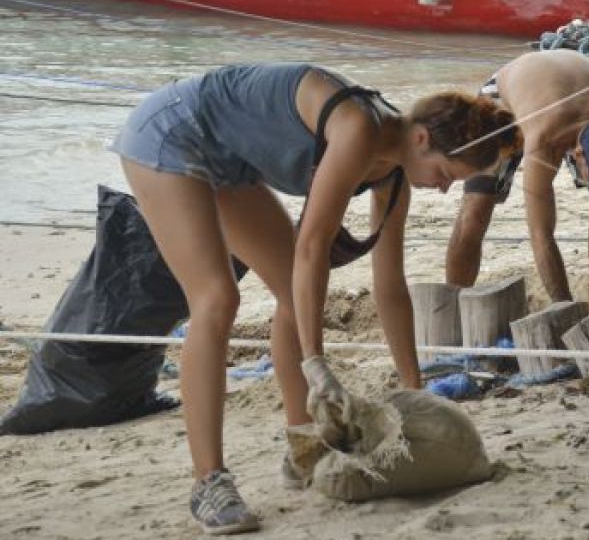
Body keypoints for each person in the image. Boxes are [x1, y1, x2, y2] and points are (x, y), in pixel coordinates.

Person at [111, 63, 517, 535]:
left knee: (292, 290)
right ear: (423, 139)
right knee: (217, 299)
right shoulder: (359, 129)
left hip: (229, 160)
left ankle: (302, 444)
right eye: (446, 174)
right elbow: (312, 245)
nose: (445, 188)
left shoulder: (394, 174)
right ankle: (209, 482)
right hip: (171, 132)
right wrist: (316, 363)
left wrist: (414, 390)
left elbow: (390, 285)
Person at [445, 50, 589, 345]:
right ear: (578, 156)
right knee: (477, 209)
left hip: (579, 97)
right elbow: (541, 235)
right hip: (506, 96)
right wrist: (565, 312)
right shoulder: (544, 139)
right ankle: (450, 313)